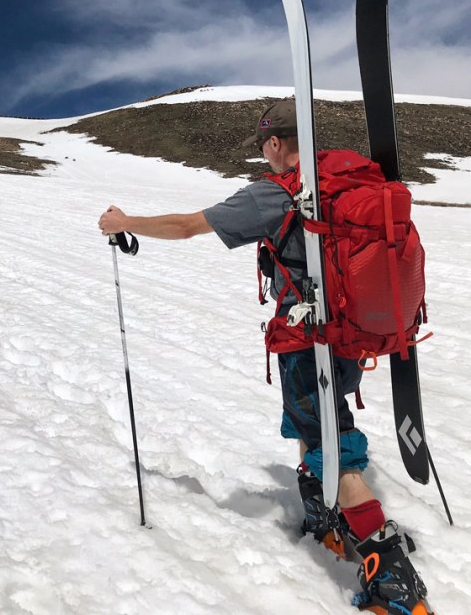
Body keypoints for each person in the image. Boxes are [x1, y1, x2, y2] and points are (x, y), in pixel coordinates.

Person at [98, 99, 430, 614]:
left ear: (275, 142)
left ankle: (392, 574)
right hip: (348, 337)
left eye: (264, 145)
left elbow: (188, 226)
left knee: (331, 445)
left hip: (306, 340)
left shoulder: (280, 194)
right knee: (311, 426)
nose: (263, 155)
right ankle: (325, 519)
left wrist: (123, 221)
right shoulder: (343, 179)